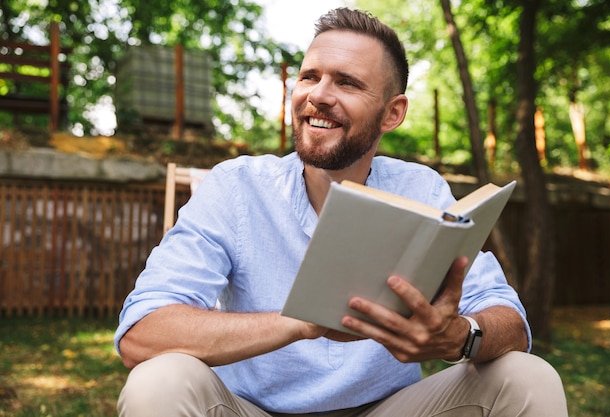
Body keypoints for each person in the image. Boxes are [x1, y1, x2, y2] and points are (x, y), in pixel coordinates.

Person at [115, 8, 567, 417]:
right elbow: (142, 332)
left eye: (347, 83)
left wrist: (460, 336)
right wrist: (301, 321)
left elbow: (509, 320)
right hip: (248, 410)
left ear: (393, 113)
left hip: (387, 409)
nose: (318, 96)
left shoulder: (422, 189)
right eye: (310, 76)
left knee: (529, 378)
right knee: (158, 381)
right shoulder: (235, 187)